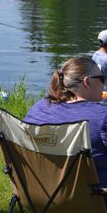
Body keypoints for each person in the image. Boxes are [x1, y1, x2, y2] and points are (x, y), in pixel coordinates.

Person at [25, 56, 107, 187]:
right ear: (87, 82)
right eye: (102, 78)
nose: (104, 84)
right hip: (93, 201)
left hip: (40, 196)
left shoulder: (38, 109)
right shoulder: (103, 117)